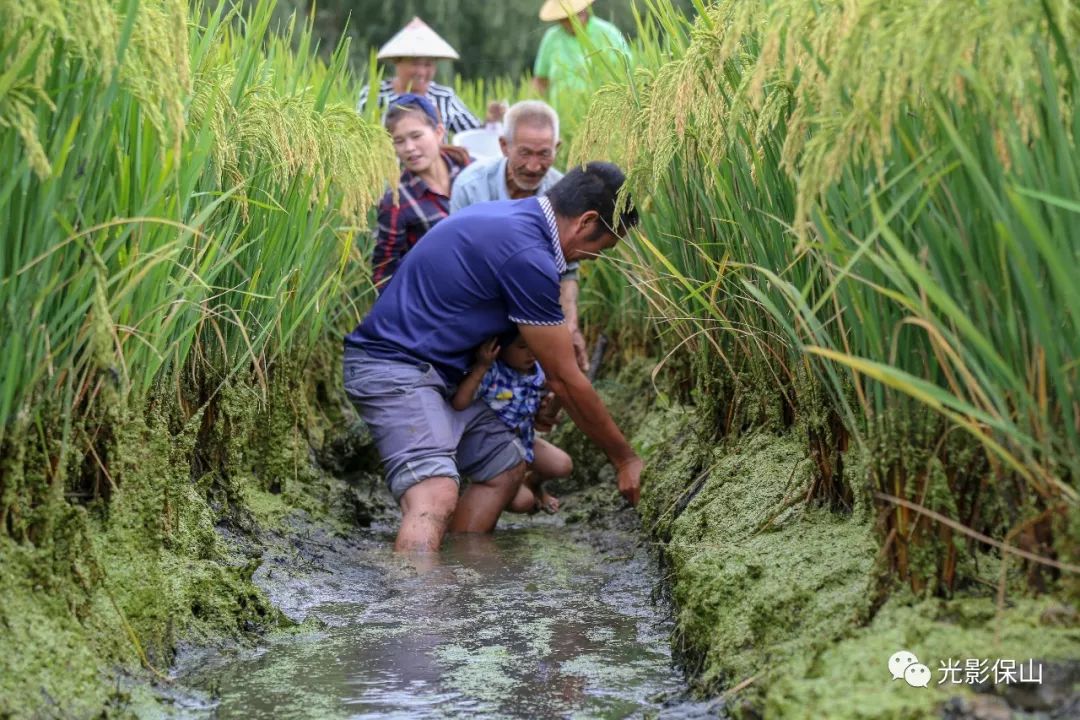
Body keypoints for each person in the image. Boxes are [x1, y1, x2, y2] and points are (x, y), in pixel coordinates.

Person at [343, 162, 643, 553]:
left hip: (441, 375)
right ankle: (415, 608)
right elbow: (563, 377)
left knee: (505, 463)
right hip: (394, 367)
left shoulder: (515, 221)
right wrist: (624, 459)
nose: (596, 257)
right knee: (434, 493)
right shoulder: (527, 253)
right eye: (603, 246)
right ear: (586, 222)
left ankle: (464, 568)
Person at [450, 100, 589, 371]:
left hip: (536, 311)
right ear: (504, 146)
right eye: (524, 153)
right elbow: (457, 266)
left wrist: (570, 328)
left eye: (544, 154)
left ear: (557, 149)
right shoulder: (471, 187)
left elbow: (567, 273)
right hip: (478, 304)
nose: (534, 166)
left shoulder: (562, 193)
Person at [452, 335, 570, 514]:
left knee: (562, 465)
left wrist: (553, 403)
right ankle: (470, 502)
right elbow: (460, 402)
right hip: (494, 450)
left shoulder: (538, 372)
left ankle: (533, 483)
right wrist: (481, 367)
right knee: (523, 502)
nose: (531, 353)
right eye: (522, 347)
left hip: (525, 442)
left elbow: (545, 414)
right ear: (500, 348)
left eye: (534, 345)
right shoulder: (492, 372)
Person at [371, 94, 471, 290]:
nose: (409, 148)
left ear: (439, 132)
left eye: (416, 136)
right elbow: (383, 273)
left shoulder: (470, 172)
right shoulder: (396, 200)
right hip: (436, 298)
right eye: (399, 141)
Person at [357, 17, 482, 134]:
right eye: (415, 64)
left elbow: (476, 135)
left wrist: (492, 123)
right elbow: (359, 135)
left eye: (428, 65)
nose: (422, 72)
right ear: (397, 62)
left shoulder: (444, 97)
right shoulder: (374, 95)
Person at [533, 0, 631, 109]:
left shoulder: (608, 33)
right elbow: (541, 81)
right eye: (565, 18)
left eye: (575, 15)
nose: (570, 22)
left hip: (602, 113)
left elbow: (626, 74)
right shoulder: (552, 39)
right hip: (563, 117)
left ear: (584, 11)